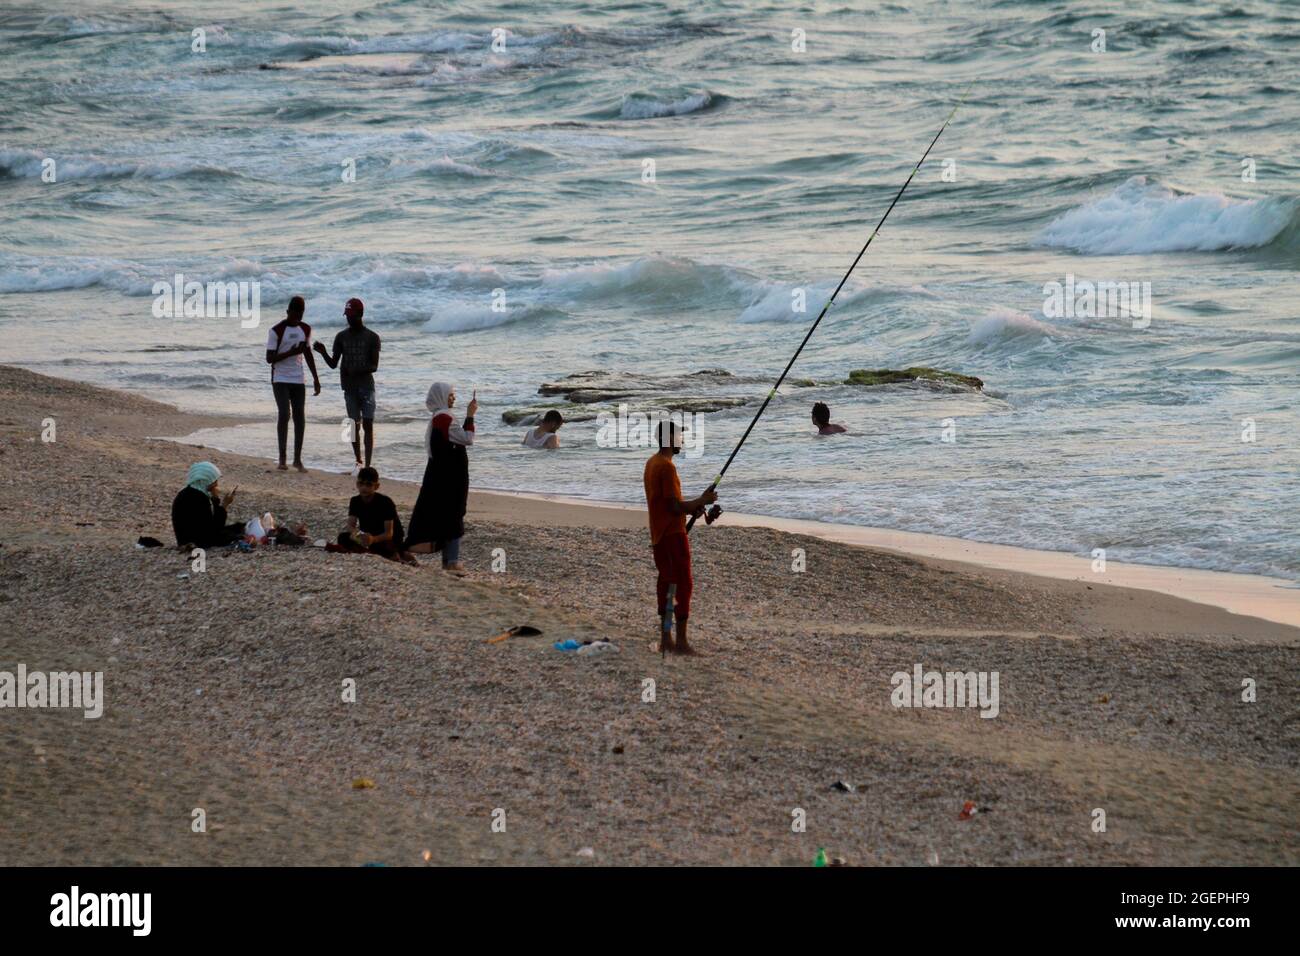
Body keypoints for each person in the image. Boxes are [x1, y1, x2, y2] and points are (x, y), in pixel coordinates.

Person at [644, 420, 717, 655]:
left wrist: (695, 506)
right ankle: (681, 643)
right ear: (670, 440)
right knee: (683, 585)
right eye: (679, 437)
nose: (682, 441)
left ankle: (666, 639)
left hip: (660, 533)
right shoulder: (666, 467)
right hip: (672, 535)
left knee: (667, 584)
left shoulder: (652, 463)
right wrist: (701, 502)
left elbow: (668, 505)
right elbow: (675, 507)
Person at [406, 382, 477, 571]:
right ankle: (452, 561)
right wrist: (470, 415)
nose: (454, 398)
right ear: (441, 397)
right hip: (450, 477)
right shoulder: (444, 418)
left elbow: (455, 437)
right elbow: (467, 438)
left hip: (442, 474)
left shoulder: (439, 418)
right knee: (454, 513)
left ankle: (448, 560)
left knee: (446, 513)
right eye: (451, 395)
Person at [313, 297, 381, 470]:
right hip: (349, 388)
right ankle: (358, 459)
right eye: (347, 315)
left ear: (361, 314)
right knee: (353, 424)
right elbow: (333, 364)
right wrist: (323, 352)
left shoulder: (372, 337)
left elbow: (374, 366)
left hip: (366, 386)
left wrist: (357, 370)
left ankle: (368, 463)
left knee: (368, 424)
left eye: (352, 315)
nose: (349, 319)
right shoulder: (341, 337)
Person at [265, 295, 321, 472]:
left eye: (301, 314)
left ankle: (297, 459)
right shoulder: (276, 331)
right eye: (295, 313)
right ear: (288, 311)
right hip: (280, 378)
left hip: (298, 378)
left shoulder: (305, 329)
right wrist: (291, 352)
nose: (297, 317)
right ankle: (282, 459)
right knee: (284, 413)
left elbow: (307, 353)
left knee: (300, 417)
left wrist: (316, 378)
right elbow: (269, 358)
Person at [334, 467, 414, 563]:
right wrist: (359, 535)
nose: (364, 487)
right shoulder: (355, 501)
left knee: (384, 546)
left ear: (376, 486)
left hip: (388, 539)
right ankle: (380, 553)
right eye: (361, 483)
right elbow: (350, 526)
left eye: (368, 484)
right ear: (357, 484)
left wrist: (373, 539)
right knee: (343, 538)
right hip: (367, 536)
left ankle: (398, 554)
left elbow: (389, 534)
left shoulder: (385, 502)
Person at [171, 461, 246, 549]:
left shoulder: (187, 493)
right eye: (214, 481)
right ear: (205, 480)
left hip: (188, 538)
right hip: (196, 541)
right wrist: (223, 504)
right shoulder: (198, 498)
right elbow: (215, 528)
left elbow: (209, 525)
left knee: (237, 527)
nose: (216, 484)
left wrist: (215, 500)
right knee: (237, 534)